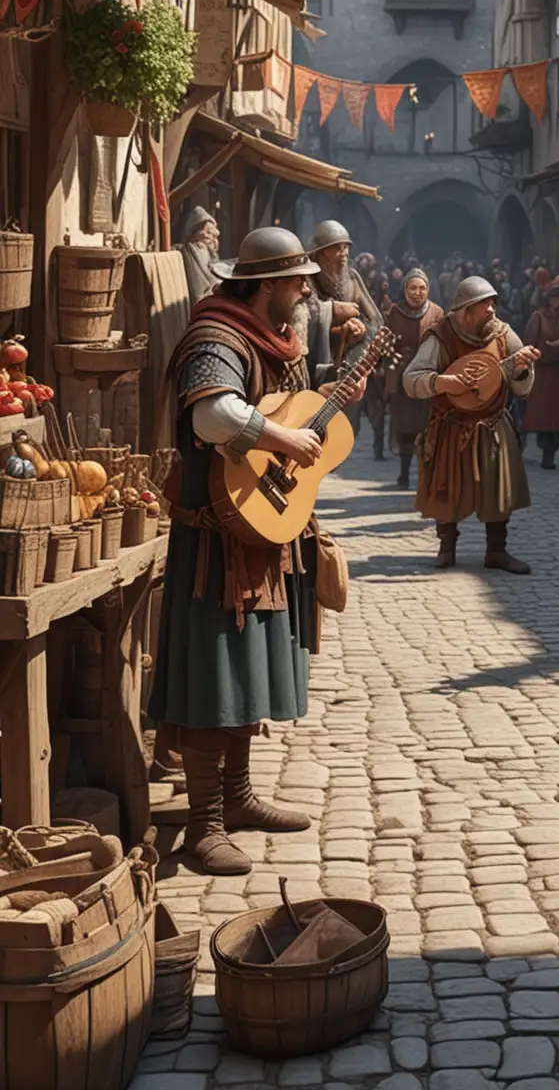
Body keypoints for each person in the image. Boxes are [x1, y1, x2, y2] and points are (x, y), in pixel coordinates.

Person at [149, 228, 363, 875]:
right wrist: (283, 439)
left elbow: (282, 408)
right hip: (217, 539)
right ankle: (203, 823)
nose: (307, 291)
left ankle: (237, 798)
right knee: (216, 677)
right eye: (297, 281)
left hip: (261, 529)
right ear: (266, 284)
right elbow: (213, 416)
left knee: (245, 673)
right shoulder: (217, 336)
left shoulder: (275, 337)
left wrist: (319, 410)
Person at [405, 276, 539, 573]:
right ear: (465, 310)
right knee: (447, 486)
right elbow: (411, 379)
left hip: (492, 423)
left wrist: (520, 369)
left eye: (493, 303)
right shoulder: (441, 336)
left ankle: (497, 551)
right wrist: (442, 382)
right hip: (452, 424)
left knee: (498, 488)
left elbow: (523, 389)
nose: (491, 310)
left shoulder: (503, 335)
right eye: (484, 305)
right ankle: (446, 547)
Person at [304, 221, 382, 430]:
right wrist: (333, 313)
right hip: (316, 365)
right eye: (336, 248)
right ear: (320, 253)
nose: (343, 253)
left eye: (345, 247)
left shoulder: (352, 277)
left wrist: (362, 328)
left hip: (348, 365)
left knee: (345, 429)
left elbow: (375, 319)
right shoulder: (307, 277)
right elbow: (303, 317)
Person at [383, 269, 443, 489]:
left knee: (428, 431)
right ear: (405, 289)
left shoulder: (437, 313)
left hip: (427, 380)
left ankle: (427, 478)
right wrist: (397, 355)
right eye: (413, 288)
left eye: (422, 288)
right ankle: (404, 474)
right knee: (405, 431)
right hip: (403, 383)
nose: (417, 293)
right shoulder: (394, 313)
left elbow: (445, 345)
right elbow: (385, 345)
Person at [524, 281, 559, 469]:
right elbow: (529, 342)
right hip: (542, 372)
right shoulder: (538, 317)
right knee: (543, 417)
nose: (556, 302)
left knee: (558, 417)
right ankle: (546, 454)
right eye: (553, 298)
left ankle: (553, 451)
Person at [178, 204, 221, 305]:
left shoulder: (210, 252)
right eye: (208, 234)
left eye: (214, 236)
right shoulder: (194, 249)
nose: (212, 239)